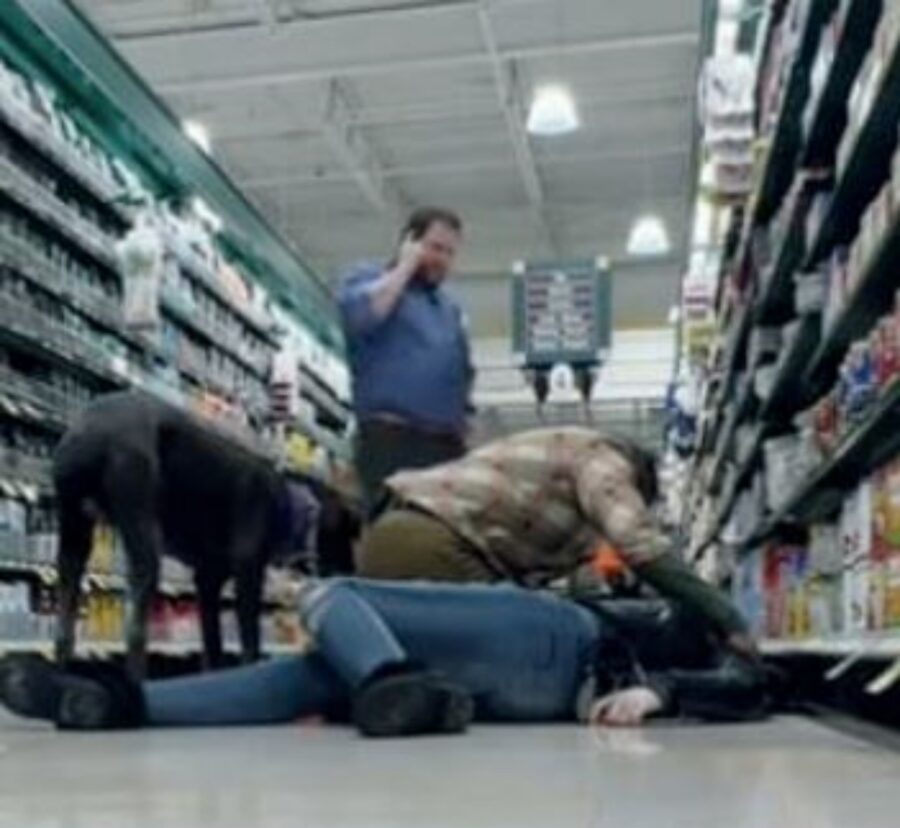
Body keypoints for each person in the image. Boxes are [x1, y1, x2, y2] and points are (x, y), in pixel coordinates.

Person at [0, 578, 772, 736]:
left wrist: (663, 688)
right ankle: (116, 703)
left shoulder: (704, 615)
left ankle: (391, 681)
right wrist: (661, 691)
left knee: (330, 590)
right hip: (533, 690)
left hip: (545, 630)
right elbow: (760, 684)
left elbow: (759, 680)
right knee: (307, 676)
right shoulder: (707, 628)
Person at [358, 426, 755, 655]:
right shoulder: (603, 457)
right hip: (433, 547)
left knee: (415, 657)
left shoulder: (561, 465)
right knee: (531, 648)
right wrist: (727, 618)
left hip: (386, 539)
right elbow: (639, 543)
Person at [338, 207, 474, 511]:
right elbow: (363, 316)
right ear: (409, 242)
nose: (443, 260)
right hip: (391, 441)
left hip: (445, 448)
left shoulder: (449, 310)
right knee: (394, 532)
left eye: (450, 253)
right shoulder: (368, 278)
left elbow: (464, 376)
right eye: (435, 248)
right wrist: (405, 267)